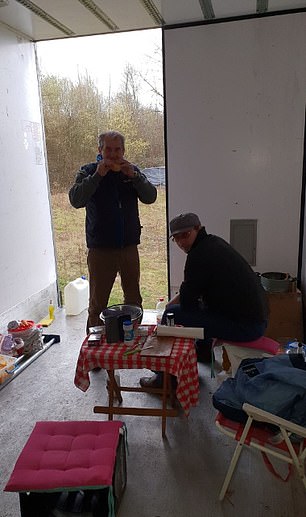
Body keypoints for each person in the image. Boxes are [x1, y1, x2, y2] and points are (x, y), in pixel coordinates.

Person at [140, 212, 268, 388]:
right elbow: (194, 290)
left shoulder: (198, 256)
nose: (181, 242)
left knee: (172, 313)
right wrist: (179, 299)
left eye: (185, 235)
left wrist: (171, 306)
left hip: (246, 327)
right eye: (176, 238)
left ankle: (164, 379)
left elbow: (187, 304)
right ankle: (203, 352)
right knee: (199, 308)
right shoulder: (215, 243)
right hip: (256, 320)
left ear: (197, 228)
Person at [69, 130, 157, 331]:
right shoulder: (88, 171)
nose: (113, 154)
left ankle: (132, 342)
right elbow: (76, 200)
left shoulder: (131, 171)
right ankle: (95, 352)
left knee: (134, 300)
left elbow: (151, 197)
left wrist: (135, 177)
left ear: (124, 151)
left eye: (118, 149)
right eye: (108, 149)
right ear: (100, 150)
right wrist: (97, 176)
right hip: (100, 250)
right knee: (97, 304)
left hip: (128, 248)